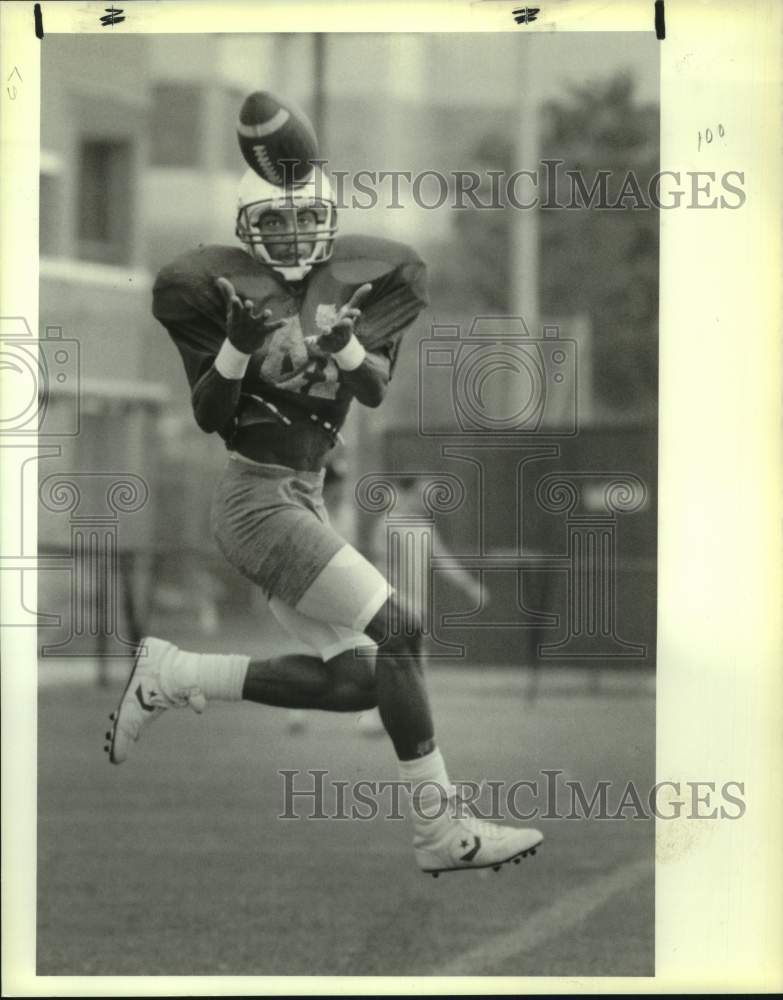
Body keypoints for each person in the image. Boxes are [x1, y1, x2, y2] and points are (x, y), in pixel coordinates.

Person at [105, 93, 543, 876]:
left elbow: (370, 388)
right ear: (247, 231)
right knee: (402, 632)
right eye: (272, 224)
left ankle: (174, 673)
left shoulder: (365, 288)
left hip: (297, 498)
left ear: (330, 223)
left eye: (304, 222)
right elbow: (211, 415)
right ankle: (442, 832)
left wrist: (340, 347)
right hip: (254, 496)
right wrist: (238, 348)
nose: (292, 236)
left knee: (359, 680)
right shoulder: (215, 292)